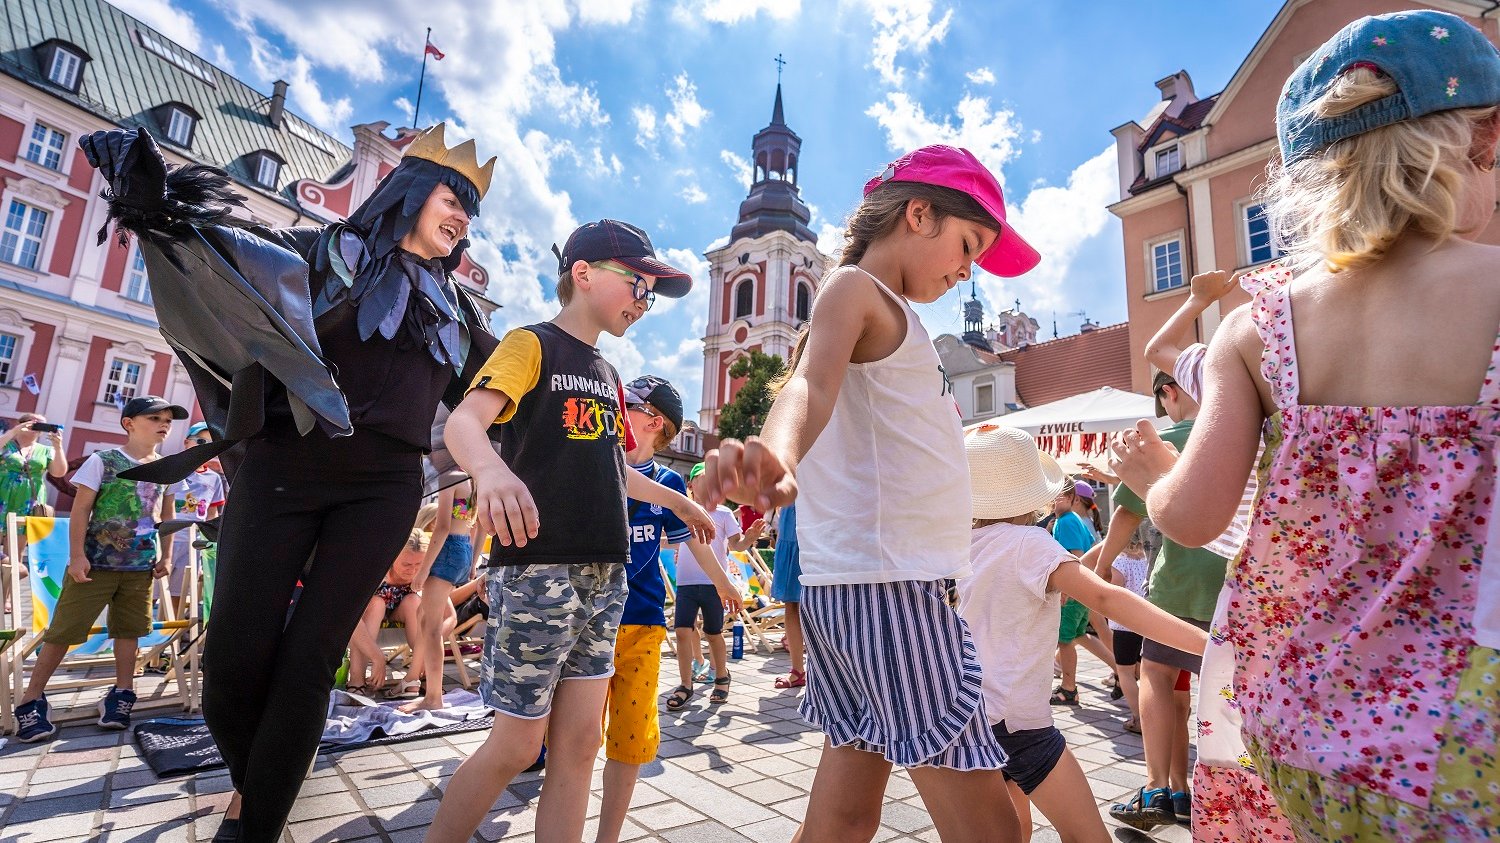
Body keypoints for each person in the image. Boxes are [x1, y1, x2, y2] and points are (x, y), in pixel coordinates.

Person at [1111, 11, 1500, 840]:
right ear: (1485, 138)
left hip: (1301, 726)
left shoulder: (1259, 327)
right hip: (1470, 746)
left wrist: (1150, 477)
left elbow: (1191, 516)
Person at [80, 123, 502, 842]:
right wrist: (153, 205)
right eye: (451, 195)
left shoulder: (457, 312)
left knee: (309, 663)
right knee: (233, 666)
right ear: (405, 192)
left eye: (472, 208)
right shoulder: (318, 254)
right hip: (282, 469)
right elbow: (223, 261)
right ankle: (257, 792)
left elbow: (509, 389)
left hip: (382, 490)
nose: (463, 215)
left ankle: (254, 826)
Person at [703, 145, 1040, 843]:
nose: (966, 270)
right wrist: (776, 452)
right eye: (967, 244)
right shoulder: (858, 290)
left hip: (858, 588)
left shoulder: (894, 314)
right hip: (896, 592)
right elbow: (808, 385)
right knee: (996, 831)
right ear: (918, 213)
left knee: (844, 820)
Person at [426, 219, 715, 843]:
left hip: (604, 572)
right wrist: (493, 473)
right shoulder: (531, 345)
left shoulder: (609, 375)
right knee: (517, 742)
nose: (643, 300)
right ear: (582, 274)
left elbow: (616, 467)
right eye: (636, 283)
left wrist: (679, 502)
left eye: (650, 291)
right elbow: (464, 426)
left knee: (580, 743)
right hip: (537, 566)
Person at [960, 424, 1209, 843]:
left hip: (970, 716)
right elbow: (1108, 600)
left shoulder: (961, 544)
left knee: (1013, 827)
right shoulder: (1029, 543)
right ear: (1033, 494)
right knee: (1089, 836)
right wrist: (1209, 644)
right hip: (1020, 722)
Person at [1092, 368, 1222, 830]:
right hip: (1231, 585)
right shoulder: (1234, 434)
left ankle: (1157, 787)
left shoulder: (1163, 440)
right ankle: (1190, 792)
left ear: (1170, 392)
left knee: (1157, 676)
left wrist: (1103, 566)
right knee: (1215, 687)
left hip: (1177, 584)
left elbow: (1126, 514)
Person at [595, 375, 720, 843]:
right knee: (578, 736)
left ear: (653, 421)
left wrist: (723, 581)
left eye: (625, 403)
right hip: (586, 623)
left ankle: (608, 835)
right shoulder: (593, 463)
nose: (614, 406)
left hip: (641, 625)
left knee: (628, 741)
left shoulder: (668, 482)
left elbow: (696, 539)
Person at [14, 396, 182, 742]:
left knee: (129, 631)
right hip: (93, 565)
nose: (164, 424)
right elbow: (81, 511)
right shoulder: (102, 461)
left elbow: (167, 517)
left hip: (140, 568)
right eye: (155, 418)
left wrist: (166, 556)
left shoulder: (168, 469)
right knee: (63, 631)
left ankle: (122, 694)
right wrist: (77, 556)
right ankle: (31, 700)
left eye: (168, 419)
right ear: (129, 423)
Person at [665, 464, 761, 710]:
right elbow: (670, 541)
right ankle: (686, 684)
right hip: (686, 583)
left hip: (713, 583)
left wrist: (749, 537)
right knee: (683, 631)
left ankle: (721, 677)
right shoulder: (681, 512)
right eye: (703, 480)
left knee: (713, 632)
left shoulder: (723, 514)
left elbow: (737, 545)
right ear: (691, 486)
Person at [399, 477, 479, 712]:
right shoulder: (471, 479)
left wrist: (423, 571)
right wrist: (472, 562)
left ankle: (433, 697)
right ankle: (417, 683)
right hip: (463, 547)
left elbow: (442, 526)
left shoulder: (450, 477)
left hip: (447, 549)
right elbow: (478, 523)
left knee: (431, 627)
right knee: (425, 620)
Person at [347, 528, 434, 697]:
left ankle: (422, 675)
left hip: (402, 611)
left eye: (418, 564)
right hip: (368, 614)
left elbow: (444, 612)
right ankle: (357, 679)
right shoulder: (376, 570)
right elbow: (350, 618)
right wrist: (377, 657)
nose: (412, 570)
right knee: (376, 603)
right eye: (407, 564)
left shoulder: (425, 572)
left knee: (415, 602)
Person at [1049, 481, 1114, 706]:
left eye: (1059, 496)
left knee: (1064, 639)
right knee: (1078, 635)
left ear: (1072, 499)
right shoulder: (1071, 520)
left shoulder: (1066, 522)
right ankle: (1121, 671)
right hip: (1081, 590)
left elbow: (1075, 557)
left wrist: (1067, 589)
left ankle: (1069, 688)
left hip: (1073, 590)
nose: (1053, 500)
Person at [165, 422, 225, 617]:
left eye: (210, 442)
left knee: (178, 593)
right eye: (200, 441)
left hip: (192, 544)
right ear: (186, 442)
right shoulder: (171, 468)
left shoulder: (213, 478)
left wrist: (208, 546)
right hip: (167, 539)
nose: (205, 446)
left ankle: (168, 639)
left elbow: (212, 514)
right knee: (155, 591)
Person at [1106, 527, 1151, 733]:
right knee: (1143, 669)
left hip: (1124, 624)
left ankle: (1139, 718)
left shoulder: (1120, 562)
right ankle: (1151, 712)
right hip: (1143, 622)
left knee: (1124, 672)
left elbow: (1116, 591)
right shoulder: (1145, 561)